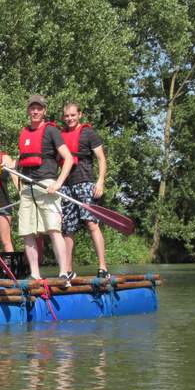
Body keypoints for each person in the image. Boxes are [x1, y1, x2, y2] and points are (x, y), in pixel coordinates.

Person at [16, 95, 74, 284]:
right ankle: (35, 273)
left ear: (44, 111)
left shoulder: (51, 131)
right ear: (28, 111)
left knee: (53, 230)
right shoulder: (24, 133)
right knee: (27, 232)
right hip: (27, 188)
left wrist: (58, 183)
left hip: (47, 185)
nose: (35, 112)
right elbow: (20, 162)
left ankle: (64, 272)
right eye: (32, 108)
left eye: (38, 109)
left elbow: (68, 158)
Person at [60, 102, 109, 279]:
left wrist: (100, 182)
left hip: (86, 182)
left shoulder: (88, 133)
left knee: (91, 223)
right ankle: (68, 270)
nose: (70, 119)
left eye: (73, 115)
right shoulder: (61, 135)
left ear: (79, 114)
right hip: (66, 185)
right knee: (68, 228)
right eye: (67, 116)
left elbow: (101, 158)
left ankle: (103, 266)